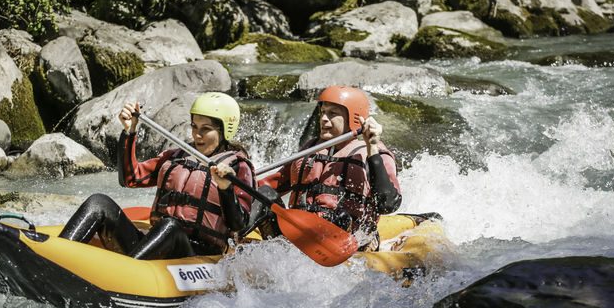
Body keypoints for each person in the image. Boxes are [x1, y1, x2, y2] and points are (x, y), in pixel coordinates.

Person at [59, 92, 255, 260]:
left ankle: (128, 274)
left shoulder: (238, 167)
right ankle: (58, 258)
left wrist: (225, 188)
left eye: (206, 129)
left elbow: (239, 224)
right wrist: (129, 132)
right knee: (98, 202)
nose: (197, 135)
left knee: (170, 225)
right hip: (153, 244)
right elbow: (131, 178)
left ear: (225, 130)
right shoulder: (176, 156)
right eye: (194, 126)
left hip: (195, 254)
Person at [257, 86, 401, 250]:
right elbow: (273, 184)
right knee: (261, 195)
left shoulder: (374, 153)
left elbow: (388, 204)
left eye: (332, 113)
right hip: (299, 236)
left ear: (353, 118)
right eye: (323, 112)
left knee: (338, 217)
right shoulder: (310, 149)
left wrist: (372, 149)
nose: (324, 119)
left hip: (348, 243)